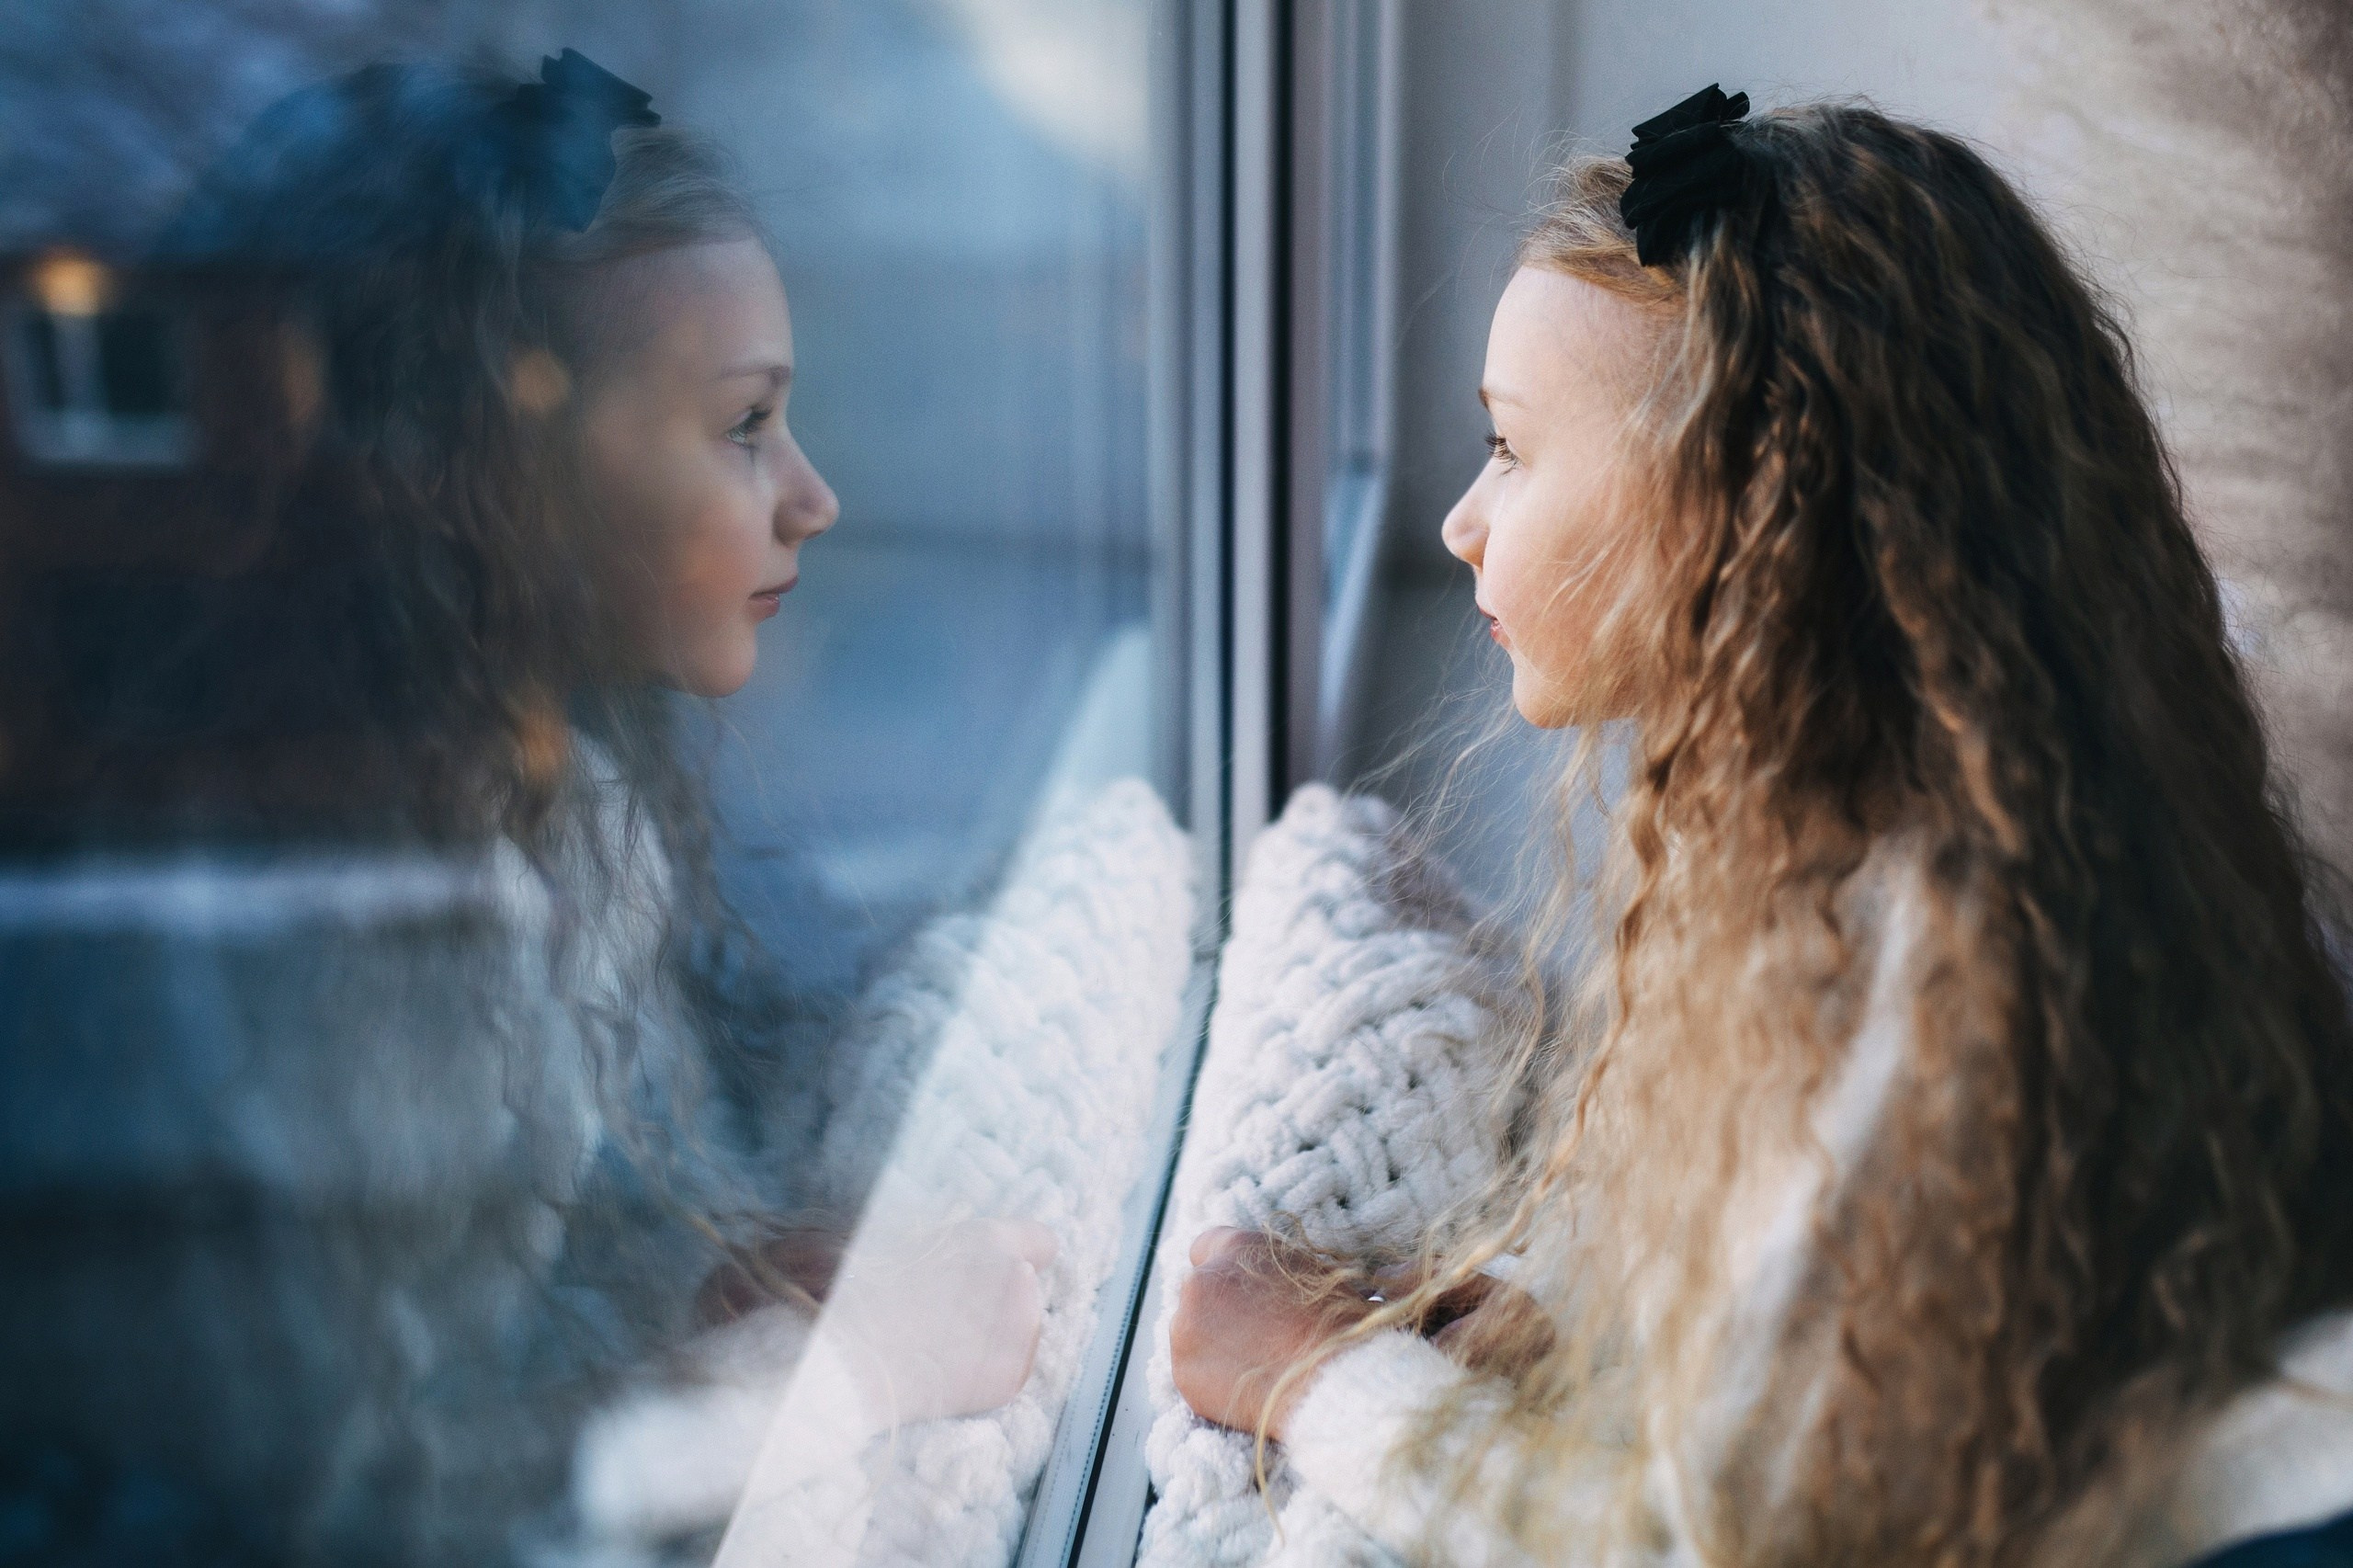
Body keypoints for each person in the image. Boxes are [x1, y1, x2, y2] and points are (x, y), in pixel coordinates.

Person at [1170, 87, 2353, 1566]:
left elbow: (1694, 1549)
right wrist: (1577, 1334)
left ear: (1738, 509)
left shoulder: (1933, 962)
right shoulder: (1959, 835)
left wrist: (1313, 1377)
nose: (1462, 522)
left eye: (1512, 449)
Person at [0, 51, 1045, 1562]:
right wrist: (843, 1370)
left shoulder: (567, 801)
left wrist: (712, 1283)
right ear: (492, 463)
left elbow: (522, 1282)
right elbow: (368, 1511)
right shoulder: (328, 942)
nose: (813, 497)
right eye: (743, 423)